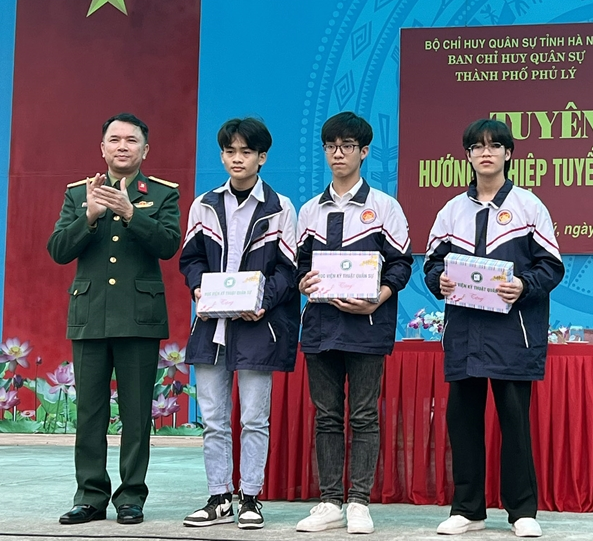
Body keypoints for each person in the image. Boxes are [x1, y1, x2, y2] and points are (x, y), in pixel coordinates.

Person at [423, 119, 564, 538]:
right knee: (463, 422)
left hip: (512, 334)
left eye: (494, 145)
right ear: (467, 156)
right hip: (465, 333)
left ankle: (522, 512)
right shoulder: (451, 210)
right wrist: (438, 281)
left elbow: (551, 266)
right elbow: (432, 264)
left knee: (515, 424)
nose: (486, 153)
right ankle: (468, 509)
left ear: (508, 153)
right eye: (477, 147)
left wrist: (524, 285)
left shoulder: (529, 206)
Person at [48, 113, 181, 526]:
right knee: (89, 413)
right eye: (115, 140)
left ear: (146, 150)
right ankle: (90, 496)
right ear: (102, 148)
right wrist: (88, 216)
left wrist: (130, 213)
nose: (123, 146)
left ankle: (131, 496)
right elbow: (58, 249)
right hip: (90, 316)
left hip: (139, 318)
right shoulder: (79, 193)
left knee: (137, 414)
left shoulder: (161, 194)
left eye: (131, 140)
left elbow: (168, 244)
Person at [179, 117, 300, 530]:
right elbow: (191, 259)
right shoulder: (204, 204)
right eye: (230, 151)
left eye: (246, 152)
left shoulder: (280, 207)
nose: (237, 159)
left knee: (253, 419)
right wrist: (199, 288)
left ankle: (250, 497)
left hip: (256, 328)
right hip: (211, 327)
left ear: (262, 158)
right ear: (221, 156)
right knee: (213, 419)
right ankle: (218, 498)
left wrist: (261, 301)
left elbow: (288, 269)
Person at [294, 111, 412, 534]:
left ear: (364, 152)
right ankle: (330, 502)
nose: (337, 154)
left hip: (367, 326)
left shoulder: (384, 207)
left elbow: (400, 265)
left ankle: (359, 502)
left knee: (363, 416)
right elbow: (298, 266)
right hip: (320, 326)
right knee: (327, 417)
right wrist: (302, 281)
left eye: (346, 146)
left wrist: (378, 298)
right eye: (330, 146)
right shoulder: (310, 210)